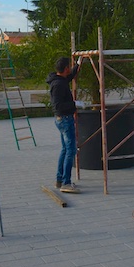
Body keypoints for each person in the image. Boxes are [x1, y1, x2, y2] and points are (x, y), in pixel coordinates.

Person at [47, 56, 82, 193]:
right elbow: (58, 106)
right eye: (70, 66)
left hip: (62, 120)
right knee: (71, 150)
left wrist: (78, 64)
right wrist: (75, 104)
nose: (70, 69)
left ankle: (59, 179)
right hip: (65, 119)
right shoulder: (58, 85)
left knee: (64, 149)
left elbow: (70, 76)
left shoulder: (59, 79)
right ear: (65, 68)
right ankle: (66, 183)